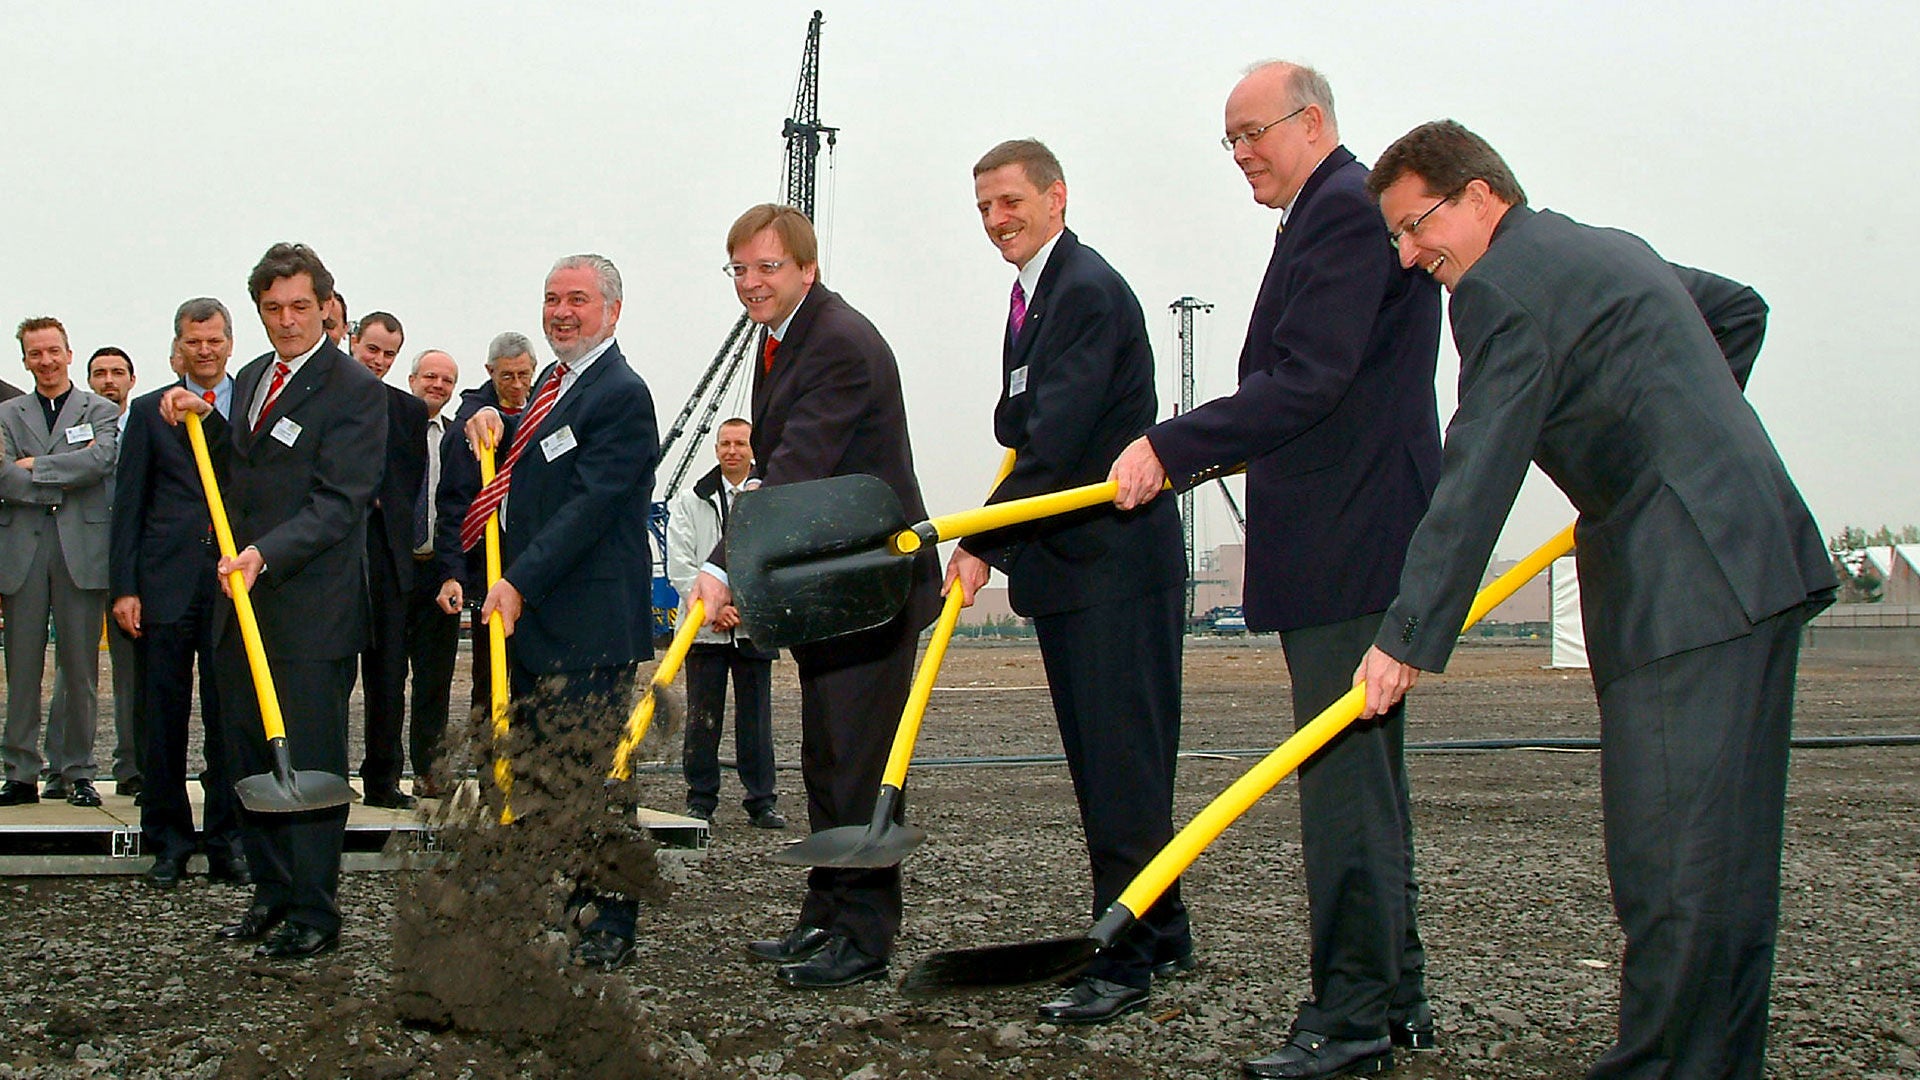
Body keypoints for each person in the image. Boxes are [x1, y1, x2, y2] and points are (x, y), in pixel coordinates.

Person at [1354, 119, 1836, 1080]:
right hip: (1755, 561)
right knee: (1727, 870)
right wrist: (1667, 443)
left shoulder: (1500, 289)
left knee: (1670, 873)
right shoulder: (1604, 250)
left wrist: (1405, 635)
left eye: (1417, 226)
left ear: (1479, 195)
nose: (1411, 257)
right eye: (1398, 238)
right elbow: (1737, 312)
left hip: (1684, 592)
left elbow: (1478, 462)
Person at [1109, 62, 1443, 1079]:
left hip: (1351, 541)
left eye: (1254, 132)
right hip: (1364, 536)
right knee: (1369, 784)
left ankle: (1347, 1021)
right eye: (1231, 139)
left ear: (1313, 123)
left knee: (1341, 788)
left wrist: (1172, 443)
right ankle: (1397, 1000)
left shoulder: (1343, 209)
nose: (1243, 153)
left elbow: (1308, 378)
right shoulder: (1335, 213)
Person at [946, 139, 1189, 1024]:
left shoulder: (1081, 291)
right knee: (1108, 768)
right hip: (1076, 571)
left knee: (1122, 768)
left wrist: (980, 540)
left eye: (1009, 202)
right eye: (983, 208)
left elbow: (1050, 443)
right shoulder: (1034, 297)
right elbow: (1025, 420)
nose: (996, 220)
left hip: (1114, 572)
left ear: (1055, 197)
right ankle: (1161, 929)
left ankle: (1122, 960)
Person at [688, 204, 939, 991]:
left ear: (807, 267)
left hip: (871, 586)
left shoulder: (836, 343)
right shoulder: (783, 340)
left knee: (859, 763)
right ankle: (826, 914)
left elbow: (796, 468)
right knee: (828, 758)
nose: (752, 282)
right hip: (830, 591)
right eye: (740, 269)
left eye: (768, 267)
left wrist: (726, 565)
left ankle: (865, 934)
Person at [158, 242, 386, 960]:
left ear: (325, 305)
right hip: (242, 605)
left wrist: (266, 554)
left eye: (299, 306)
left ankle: (315, 910)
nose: (286, 321)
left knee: (310, 763)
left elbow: (338, 503)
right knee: (249, 758)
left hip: (308, 609)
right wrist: (196, 412)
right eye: (272, 308)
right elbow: (242, 465)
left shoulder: (354, 388)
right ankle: (270, 892)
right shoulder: (253, 376)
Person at [460, 255, 659, 970]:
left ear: (612, 308)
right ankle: (554, 898)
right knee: (538, 770)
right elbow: (524, 464)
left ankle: (608, 920)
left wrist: (518, 580)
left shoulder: (620, 393)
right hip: (538, 622)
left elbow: (589, 508)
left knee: (595, 777)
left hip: (589, 622)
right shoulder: (552, 383)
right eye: (552, 299)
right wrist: (486, 414)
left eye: (577, 299)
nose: (561, 312)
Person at [110, 298, 247, 888]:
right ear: (179, 345)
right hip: (164, 585)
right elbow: (129, 505)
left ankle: (227, 840)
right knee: (160, 720)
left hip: (229, 585)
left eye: (214, 340)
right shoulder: (146, 413)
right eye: (195, 341)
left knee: (229, 721)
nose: (206, 350)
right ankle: (166, 840)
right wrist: (125, 588)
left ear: (230, 342)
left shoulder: (250, 410)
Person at [0, 318, 121, 809]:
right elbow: (3, 477)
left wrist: (36, 467)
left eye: (53, 351)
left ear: (69, 354)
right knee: (22, 669)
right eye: (35, 353)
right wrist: (66, 472)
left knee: (80, 671)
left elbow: (102, 461)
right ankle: (20, 772)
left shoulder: (101, 410)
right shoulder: (7, 414)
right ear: (25, 359)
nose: (46, 361)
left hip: (81, 551)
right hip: (24, 552)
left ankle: (78, 771)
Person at [665, 417, 783, 829]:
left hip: (755, 630)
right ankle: (701, 800)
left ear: (753, 450)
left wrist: (742, 608)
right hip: (703, 634)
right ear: (716, 449)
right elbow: (680, 564)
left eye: (740, 443)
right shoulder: (689, 501)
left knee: (756, 722)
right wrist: (713, 608)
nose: (732, 450)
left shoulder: (769, 498)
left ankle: (762, 800)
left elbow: (775, 559)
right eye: (725, 444)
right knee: (702, 719)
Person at [434, 332, 537, 723]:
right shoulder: (470, 422)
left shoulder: (547, 405)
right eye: (506, 376)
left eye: (523, 375)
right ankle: (489, 766)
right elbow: (454, 506)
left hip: (536, 570)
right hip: (489, 572)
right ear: (490, 372)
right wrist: (452, 573)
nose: (516, 385)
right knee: (489, 678)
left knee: (536, 679)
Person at [348, 312, 428, 809]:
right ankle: (323, 774)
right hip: (336, 554)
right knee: (333, 676)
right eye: (371, 349)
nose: (378, 361)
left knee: (388, 677)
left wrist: (377, 497)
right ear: (353, 342)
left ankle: (382, 778)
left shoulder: (409, 411)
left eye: (388, 354)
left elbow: (408, 484)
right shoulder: (327, 399)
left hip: (389, 559)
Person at [86, 346, 144, 796]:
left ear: (131, 379)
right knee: (76, 672)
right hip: (83, 562)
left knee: (133, 675)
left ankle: (131, 767)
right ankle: (72, 770)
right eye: (100, 373)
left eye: (117, 373)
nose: (109, 381)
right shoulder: (77, 429)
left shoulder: (143, 426)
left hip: (133, 566)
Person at [404, 349, 461, 798]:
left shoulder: (457, 438)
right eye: (430, 376)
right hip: (393, 570)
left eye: (446, 380)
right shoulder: (390, 428)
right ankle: (380, 775)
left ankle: (429, 769)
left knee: (434, 681)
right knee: (383, 679)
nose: (437, 385)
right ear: (412, 379)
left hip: (437, 573)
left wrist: (452, 571)